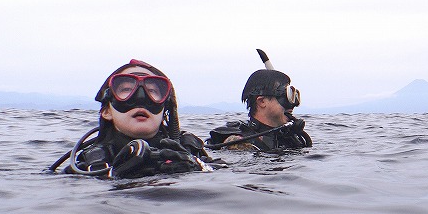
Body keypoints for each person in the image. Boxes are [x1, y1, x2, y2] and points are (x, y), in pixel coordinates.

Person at [49, 59, 217, 178]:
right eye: (126, 89)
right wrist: (116, 177)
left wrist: (197, 168)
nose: (141, 98)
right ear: (106, 111)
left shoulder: (189, 150)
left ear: (164, 109)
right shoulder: (89, 166)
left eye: (152, 91)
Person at [207, 68, 312, 152]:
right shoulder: (238, 141)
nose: (292, 105)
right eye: (285, 97)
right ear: (261, 101)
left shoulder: (288, 138)